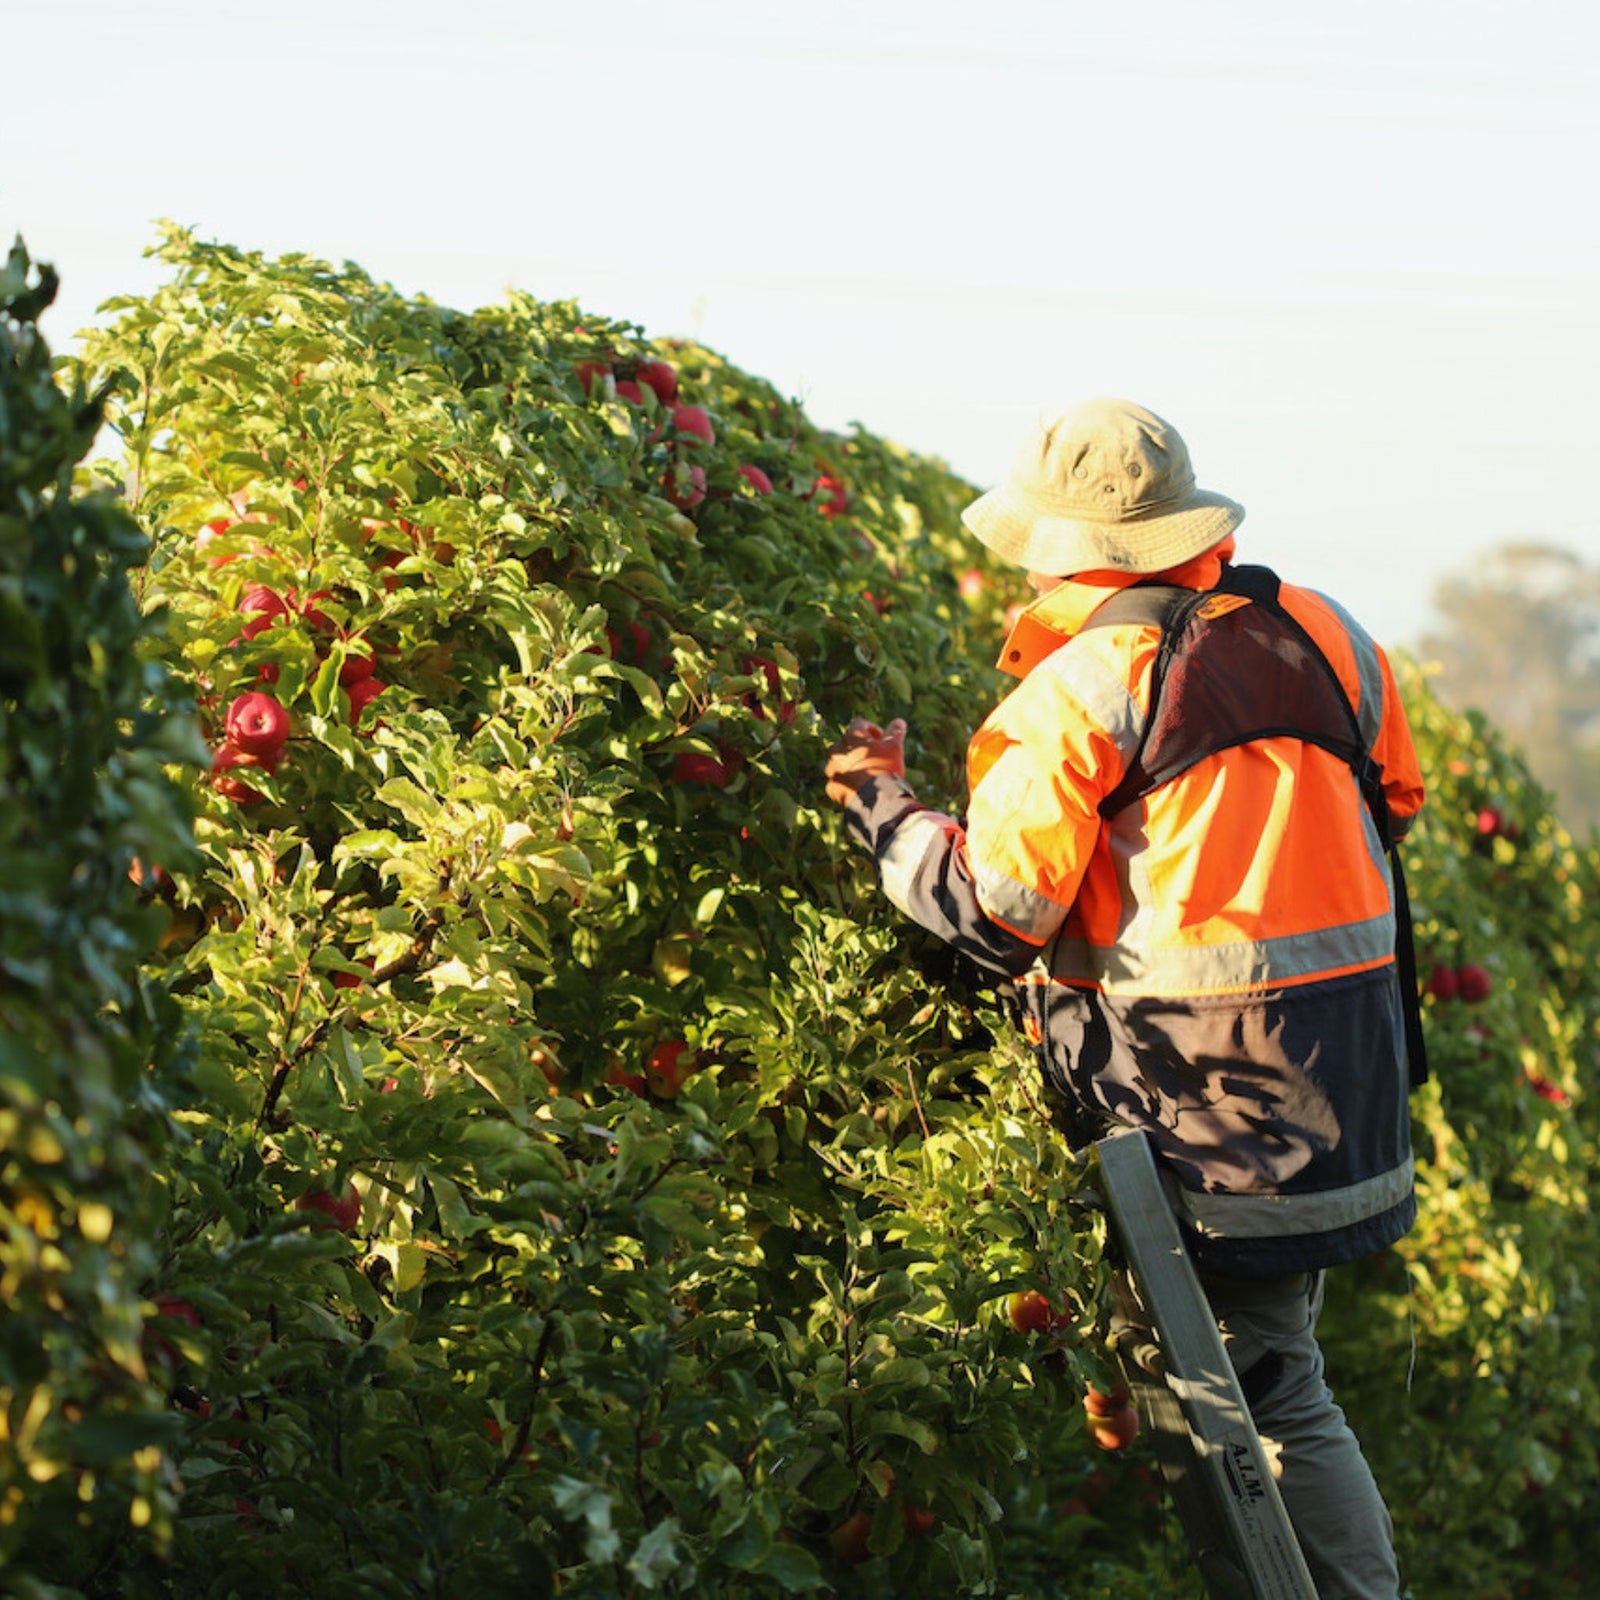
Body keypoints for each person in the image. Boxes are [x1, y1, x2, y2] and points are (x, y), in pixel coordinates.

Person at [823, 398, 1423, 1600]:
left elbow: (995, 913)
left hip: (1200, 1102)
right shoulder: (1328, 637)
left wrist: (879, 805)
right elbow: (1388, 806)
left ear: (1054, 551)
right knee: (1259, 1366)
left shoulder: (1084, 687)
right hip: (1342, 1078)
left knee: (1263, 1389)